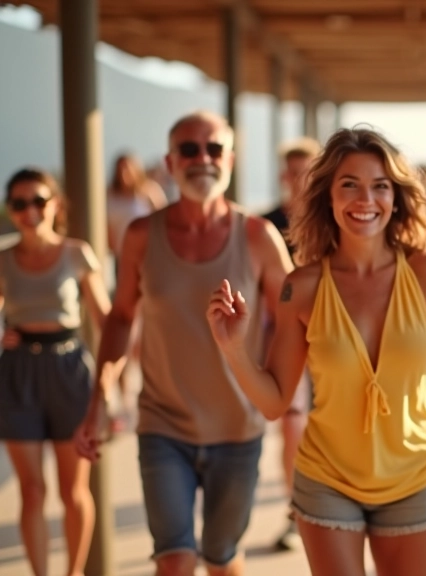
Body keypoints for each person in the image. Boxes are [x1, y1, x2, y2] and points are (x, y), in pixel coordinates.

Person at [204, 127, 426, 576]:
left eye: (380, 186)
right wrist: (233, 348)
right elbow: (274, 402)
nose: (365, 199)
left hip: (411, 479)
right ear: (327, 197)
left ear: (397, 197)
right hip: (326, 478)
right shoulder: (301, 287)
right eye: (349, 185)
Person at [75, 110, 293, 576]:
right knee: (173, 560)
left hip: (239, 428)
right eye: (189, 150)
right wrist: (102, 395)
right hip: (162, 425)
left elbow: (297, 320)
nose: (203, 159)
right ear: (170, 162)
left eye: (214, 148)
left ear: (230, 160)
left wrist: (286, 389)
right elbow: (121, 319)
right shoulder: (141, 235)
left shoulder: (258, 236)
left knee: (221, 558)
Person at [0, 168, 110, 576]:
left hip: (69, 369)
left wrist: (108, 388)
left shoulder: (76, 253)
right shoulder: (3, 259)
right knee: (31, 491)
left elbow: (106, 320)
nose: (30, 211)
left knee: (72, 490)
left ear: (55, 205)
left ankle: (74, 572)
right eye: (19, 203)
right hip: (18, 372)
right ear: (10, 211)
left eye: (39, 201)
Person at [262, 136, 321, 550]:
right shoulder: (266, 224)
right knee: (292, 424)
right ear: (284, 175)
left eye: (307, 171)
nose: (299, 180)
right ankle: (295, 510)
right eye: (294, 171)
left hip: (332, 337)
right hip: (284, 336)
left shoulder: (335, 219)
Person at [106, 153, 167, 432]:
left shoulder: (149, 193)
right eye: (120, 168)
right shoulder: (109, 195)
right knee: (124, 327)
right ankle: (123, 399)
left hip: (151, 263)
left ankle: (147, 396)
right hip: (121, 264)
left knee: (146, 334)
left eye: (129, 167)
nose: (125, 173)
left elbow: (166, 223)